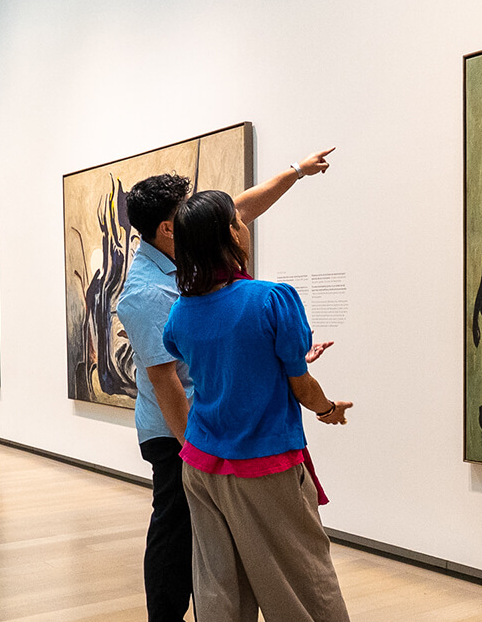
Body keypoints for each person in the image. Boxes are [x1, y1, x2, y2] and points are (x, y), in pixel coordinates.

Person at [115, 149, 332, 622]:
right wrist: (201, 449)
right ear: (171, 228)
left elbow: (247, 205)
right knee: (180, 535)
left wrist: (295, 172)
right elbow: (167, 382)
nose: (240, 221)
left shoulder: (189, 290)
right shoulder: (148, 294)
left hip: (212, 437)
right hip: (186, 434)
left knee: (218, 563)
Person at [161, 190, 353, 622]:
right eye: (238, 220)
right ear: (231, 232)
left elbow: (223, 358)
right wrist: (328, 409)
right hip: (262, 465)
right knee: (302, 582)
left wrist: (283, 359)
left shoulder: (180, 313)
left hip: (200, 464)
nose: (244, 225)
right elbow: (303, 390)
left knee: (219, 585)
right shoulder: (271, 299)